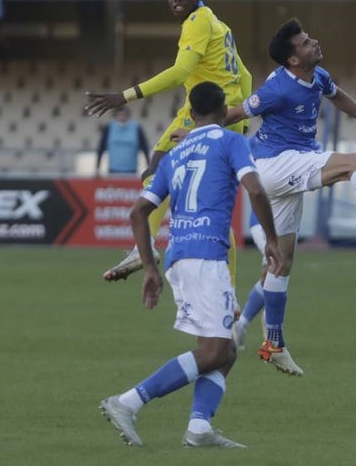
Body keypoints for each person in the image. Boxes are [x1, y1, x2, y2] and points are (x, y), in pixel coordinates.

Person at [224, 19, 356, 375]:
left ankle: (273, 342)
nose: (314, 42)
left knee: (280, 263)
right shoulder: (276, 89)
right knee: (353, 162)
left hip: (287, 167)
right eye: (306, 43)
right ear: (293, 60)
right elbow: (236, 112)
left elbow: (337, 96)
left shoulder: (318, 76)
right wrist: (197, 129)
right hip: (273, 165)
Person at [99, 82, 285, 450]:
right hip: (206, 255)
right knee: (216, 350)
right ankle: (128, 402)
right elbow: (256, 189)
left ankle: (199, 427)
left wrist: (150, 268)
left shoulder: (176, 153)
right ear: (224, 108)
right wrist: (274, 242)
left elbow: (139, 213)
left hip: (179, 255)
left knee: (225, 349)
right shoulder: (231, 141)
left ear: (193, 114)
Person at [85, 0, 252, 284]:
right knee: (157, 170)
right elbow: (245, 76)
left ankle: (148, 248)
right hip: (209, 114)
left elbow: (179, 72)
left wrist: (125, 96)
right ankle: (145, 246)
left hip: (205, 116)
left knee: (193, 196)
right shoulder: (219, 25)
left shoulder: (198, 22)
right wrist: (240, 119)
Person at [96, 107, 151, 176]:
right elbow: (101, 148)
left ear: (128, 116)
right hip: (113, 170)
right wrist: (97, 167)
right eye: (119, 115)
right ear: (115, 116)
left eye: (123, 115)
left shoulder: (136, 128)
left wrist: (149, 167)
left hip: (131, 170)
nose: (121, 117)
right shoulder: (109, 128)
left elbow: (145, 148)